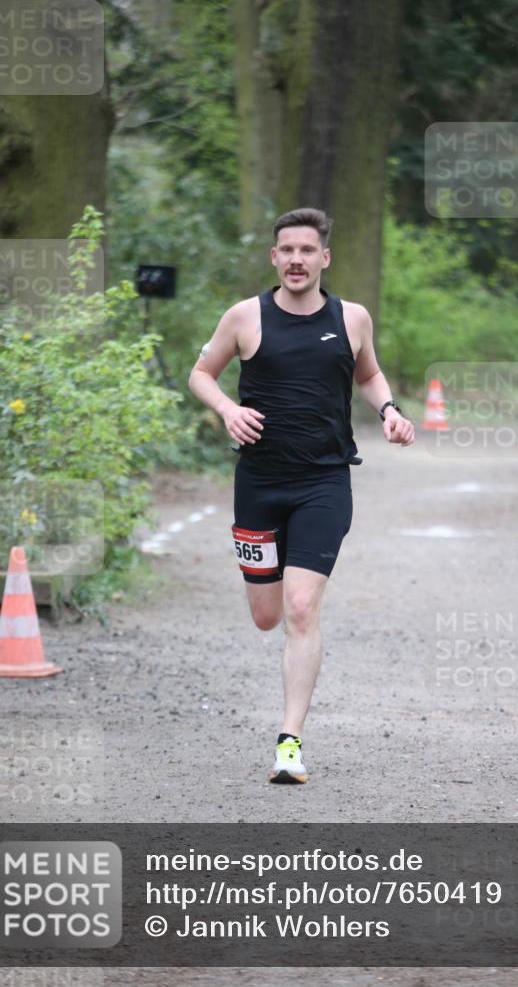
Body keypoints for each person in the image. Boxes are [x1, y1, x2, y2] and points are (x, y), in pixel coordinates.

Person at [188, 207, 414, 784]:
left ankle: (289, 742)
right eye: (286, 250)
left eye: (307, 251)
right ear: (274, 257)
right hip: (259, 485)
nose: (296, 259)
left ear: (324, 258)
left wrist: (388, 411)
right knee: (266, 616)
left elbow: (367, 375)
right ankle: (288, 720)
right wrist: (227, 409)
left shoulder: (351, 318)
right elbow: (201, 374)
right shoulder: (245, 317)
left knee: (300, 608)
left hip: (324, 482)